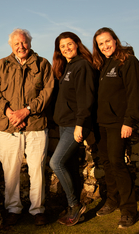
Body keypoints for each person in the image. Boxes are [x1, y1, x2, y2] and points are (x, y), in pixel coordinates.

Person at [0, 28, 54, 226]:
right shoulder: (3, 64)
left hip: (35, 125)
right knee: (11, 171)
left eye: (24, 42)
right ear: (11, 45)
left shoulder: (42, 63)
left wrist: (26, 111)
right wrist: (10, 113)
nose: (21, 46)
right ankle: (13, 209)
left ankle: (37, 210)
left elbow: (47, 91)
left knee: (37, 170)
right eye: (17, 43)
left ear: (30, 43)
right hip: (9, 128)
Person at [92, 27, 139, 228]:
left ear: (115, 39)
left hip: (119, 123)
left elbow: (134, 93)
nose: (105, 46)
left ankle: (129, 210)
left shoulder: (128, 61)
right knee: (106, 162)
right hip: (101, 123)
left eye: (107, 41)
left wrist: (129, 121)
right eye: (100, 44)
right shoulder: (103, 64)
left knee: (117, 163)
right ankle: (112, 200)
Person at [49, 32, 96, 226]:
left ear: (77, 44)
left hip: (75, 125)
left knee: (56, 163)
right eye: (62, 46)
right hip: (64, 124)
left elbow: (86, 98)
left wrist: (80, 125)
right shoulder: (68, 66)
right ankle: (73, 206)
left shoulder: (82, 65)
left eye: (69, 44)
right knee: (69, 166)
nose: (66, 48)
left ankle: (75, 205)